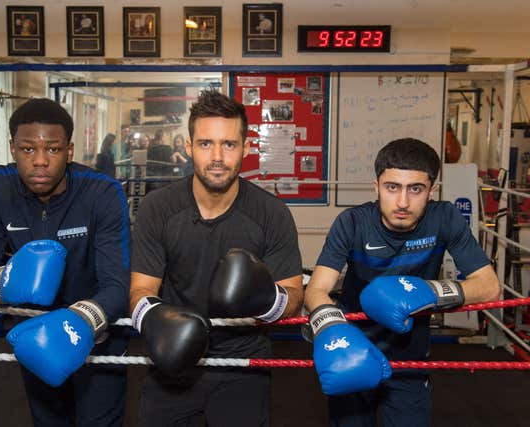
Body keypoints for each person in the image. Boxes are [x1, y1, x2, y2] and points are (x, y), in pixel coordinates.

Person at [129, 90, 304, 426]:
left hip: (243, 364)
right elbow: (139, 290)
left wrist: (265, 300)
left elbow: (294, 298)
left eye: (229, 144)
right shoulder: (158, 208)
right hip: (172, 364)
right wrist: (157, 322)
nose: (218, 157)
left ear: (246, 148)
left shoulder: (272, 214)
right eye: (206, 144)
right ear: (189, 146)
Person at [0, 98, 130, 427]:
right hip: (35, 339)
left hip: (100, 341)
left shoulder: (101, 193)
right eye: (27, 149)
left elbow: (118, 285)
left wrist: (78, 321)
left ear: (70, 151)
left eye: (52, 149)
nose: (39, 161)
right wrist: (4, 282)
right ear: (12, 149)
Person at [303, 138, 501, 426]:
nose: (403, 202)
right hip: (354, 349)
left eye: (416, 189)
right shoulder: (352, 222)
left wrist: (429, 292)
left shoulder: (444, 218)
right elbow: (317, 289)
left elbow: (489, 285)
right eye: (392, 187)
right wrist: (333, 330)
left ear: (432, 190)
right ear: (376, 186)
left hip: (410, 357)